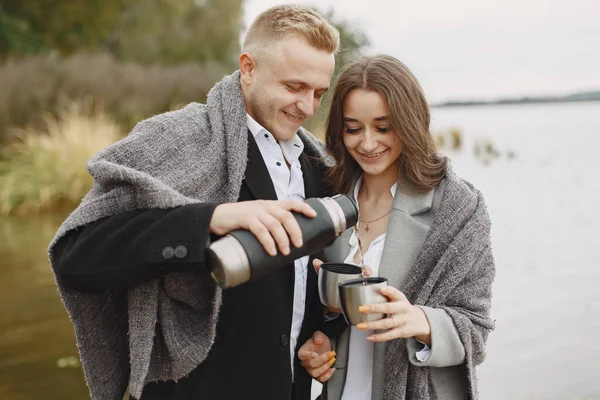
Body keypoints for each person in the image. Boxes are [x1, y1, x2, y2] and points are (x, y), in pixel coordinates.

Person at [48, 5, 340, 400]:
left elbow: (296, 290)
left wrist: (320, 334)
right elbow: (75, 256)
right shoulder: (176, 138)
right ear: (248, 68)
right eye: (293, 87)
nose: (307, 107)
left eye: (318, 93)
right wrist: (210, 219)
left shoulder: (318, 165)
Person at [298, 55, 495, 399]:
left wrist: (419, 320)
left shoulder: (458, 207)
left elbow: (476, 331)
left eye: (384, 127)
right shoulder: (327, 197)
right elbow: (320, 322)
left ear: (410, 122)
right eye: (353, 129)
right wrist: (317, 346)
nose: (368, 143)